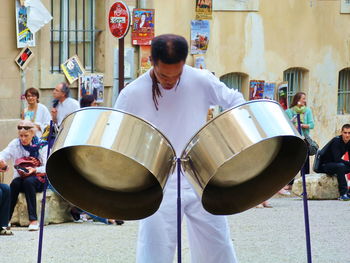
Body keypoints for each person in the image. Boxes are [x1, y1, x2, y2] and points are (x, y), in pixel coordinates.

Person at [114, 34, 245, 263]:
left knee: (218, 246)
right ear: (151, 62)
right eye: (164, 75)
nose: (170, 81)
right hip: (158, 180)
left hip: (200, 176)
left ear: (184, 64)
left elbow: (236, 101)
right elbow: (118, 135)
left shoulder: (201, 80)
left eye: (177, 74)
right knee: (155, 251)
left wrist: (222, 141)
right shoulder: (132, 94)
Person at [0, 120, 48, 231]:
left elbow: (48, 167)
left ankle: (33, 220)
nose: (23, 139)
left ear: (32, 134)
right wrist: (2, 161)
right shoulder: (15, 144)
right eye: (21, 136)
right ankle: (6, 220)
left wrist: (34, 169)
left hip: (39, 179)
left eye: (26, 136)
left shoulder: (41, 145)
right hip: (21, 179)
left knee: (29, 181)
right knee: (14, 183)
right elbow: (3, 153)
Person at [283, 92, 315, 191]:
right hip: (293, 138)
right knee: (292, 160)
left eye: (305, 98)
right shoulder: (289, 111)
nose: (304, 100)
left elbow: (312, 125)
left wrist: (302, 125)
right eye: (303, 98)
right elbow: (286, 124)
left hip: (304, 138)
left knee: (305, 160)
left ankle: (305, 184)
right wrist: (295, 126)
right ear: (297, 100)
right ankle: (289, 183)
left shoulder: (307, 111)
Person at [318, 124, 350, 201]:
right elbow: (337, 159)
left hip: (336, 165)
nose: (347, 135)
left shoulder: (349, 142)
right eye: (345, 133)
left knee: (340, 166)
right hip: (324, 165)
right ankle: (343, 194)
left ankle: (349, 193)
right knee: (341, 166)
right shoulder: (337, 141)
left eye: (349, 133)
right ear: (341, 132)